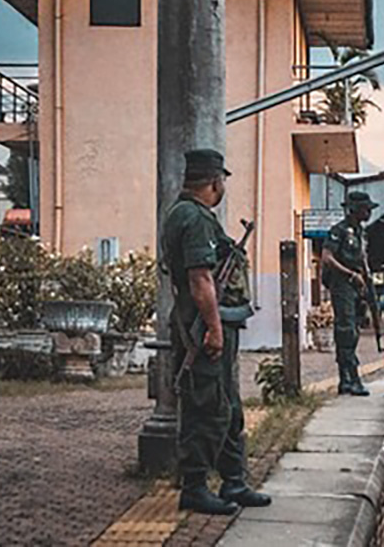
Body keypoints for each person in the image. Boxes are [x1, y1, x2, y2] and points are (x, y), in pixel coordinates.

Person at [163, 148, 271, 515]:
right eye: (222, 180)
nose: (222, 186)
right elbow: (200, 279)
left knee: (227, 404)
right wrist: (213, 329)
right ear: (214, 181)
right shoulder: (193, 218)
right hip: (202, 326)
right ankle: (194, 487)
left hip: (208, 323)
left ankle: (234, 481)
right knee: (206, 407)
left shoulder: (191, 215)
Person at [321, 190, 378, 396]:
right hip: (342, 283)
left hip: (356, 285)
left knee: (352, 330)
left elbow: (362, 259)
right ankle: (351, 378)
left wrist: (366, 280)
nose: (368, 213)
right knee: (346, 330)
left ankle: (346, 379)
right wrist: (351, 275)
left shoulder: (362, 233)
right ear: (354, 210)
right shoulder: (339, 231)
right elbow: (327, 257)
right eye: (365, 209)